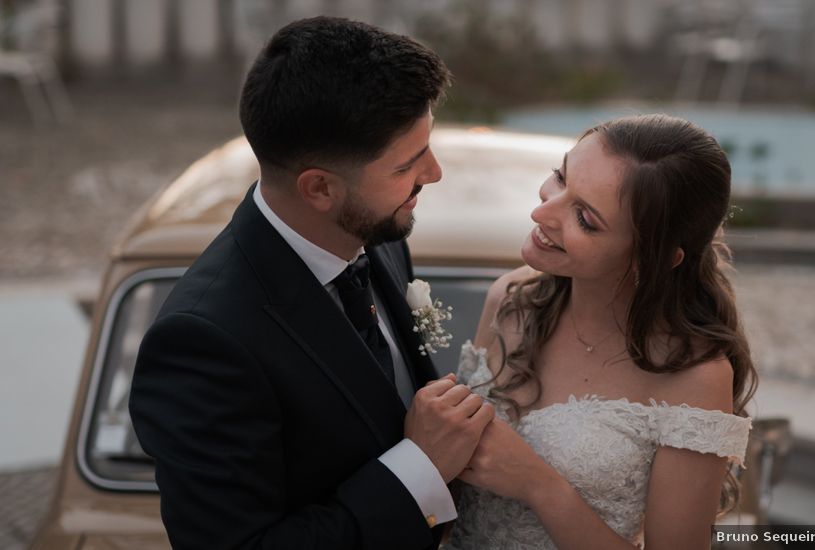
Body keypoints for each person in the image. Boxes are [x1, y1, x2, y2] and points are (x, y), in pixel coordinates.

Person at [129, 17, 494, 550]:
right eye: (408, 164)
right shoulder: (202, 342)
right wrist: (419, 469)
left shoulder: (381, 237)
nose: (434, 173)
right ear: (319, 188)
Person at [444, 114, 758, 550]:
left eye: (585, 218)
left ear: (651, 258)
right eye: (560, 177)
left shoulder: (695, 376)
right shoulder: (510, 299)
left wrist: (540, 485)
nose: (541, 211)